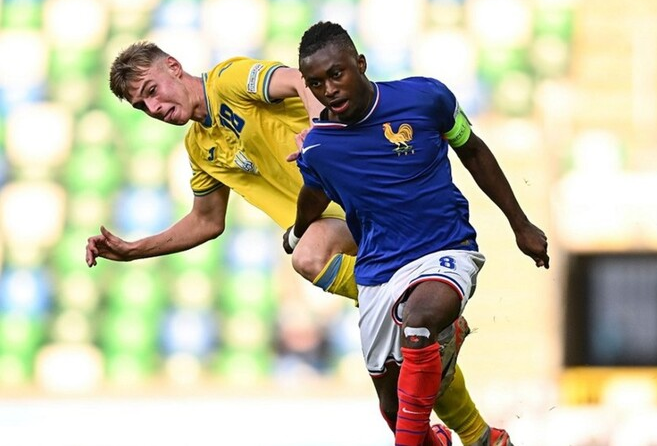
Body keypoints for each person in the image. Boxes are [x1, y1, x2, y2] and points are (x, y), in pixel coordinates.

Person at [84, 41, 500, 445]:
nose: (154, 108)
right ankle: (479, 434)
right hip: (348, 232)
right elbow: (206, 222)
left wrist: (323, 133)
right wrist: (134, 250)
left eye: (152, 91)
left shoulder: (229, 80)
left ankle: (409, 307)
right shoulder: (200, 148)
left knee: (308, 254)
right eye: (142, 106)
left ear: (173, 67)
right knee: (405, 375)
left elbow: (298, 80)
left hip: (372, 204)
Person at [284, 21, 550, 446]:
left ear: (360, 63)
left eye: (337, 74)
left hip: (445, 249)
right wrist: (297, 234)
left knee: (421, 321)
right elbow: (312, 196)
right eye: (316, 83)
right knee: (394, 409)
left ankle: (440, 332)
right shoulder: (318, 148)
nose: (329, 89)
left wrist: (520, 224)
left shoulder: (426, 98)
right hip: (378, 272)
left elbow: (473, 150)